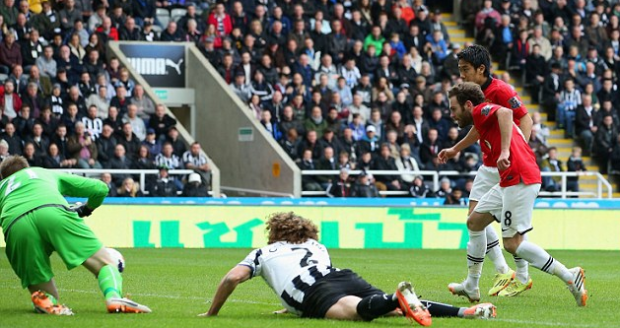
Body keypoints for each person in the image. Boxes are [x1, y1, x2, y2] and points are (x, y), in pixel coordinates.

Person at [200, 212, 496, 324]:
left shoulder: (264, 251)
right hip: (340, 275)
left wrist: (212, 312)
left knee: (356, 311)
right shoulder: (316, 246)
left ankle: (395, 297)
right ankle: (466, 312)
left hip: (313, 290)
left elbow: (232, 278)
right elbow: (320, 276)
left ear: (275, 234)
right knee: (390, 307)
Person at [446, 82, 587, 306]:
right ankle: (472, 285)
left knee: (512, 243)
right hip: (509, 179)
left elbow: (505, 111)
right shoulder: (481, 119)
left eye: (453, 109)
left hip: (519, 178)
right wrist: (456, 149)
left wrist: (504, 151)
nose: (451, 114)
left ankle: (569, 276)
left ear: (469, 105)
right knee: (474, 222)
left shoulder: (483, 110)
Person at [438, 44, 534, 297]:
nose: (462, 75)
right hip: (488, 164)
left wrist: (516, 151)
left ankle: (519, 274)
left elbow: (525, 119)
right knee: (475, 220)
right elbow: (479, 128)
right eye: (459, 70)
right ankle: (503, 270)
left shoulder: (500, 90)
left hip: (504, 165)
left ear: (481, 69)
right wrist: (456, 149)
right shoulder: (472, 94)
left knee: (500, 222)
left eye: (465, 70)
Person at [0, 156, 151, 315]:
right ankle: (114, 298)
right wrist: (86, 209)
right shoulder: (42, 173)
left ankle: (46, 301)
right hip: (53, 212)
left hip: (15, 225)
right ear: (27, 167)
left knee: (45, 294)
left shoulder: (2, 188)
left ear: (3, 177)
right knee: (106, 264)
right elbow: (100, 188)